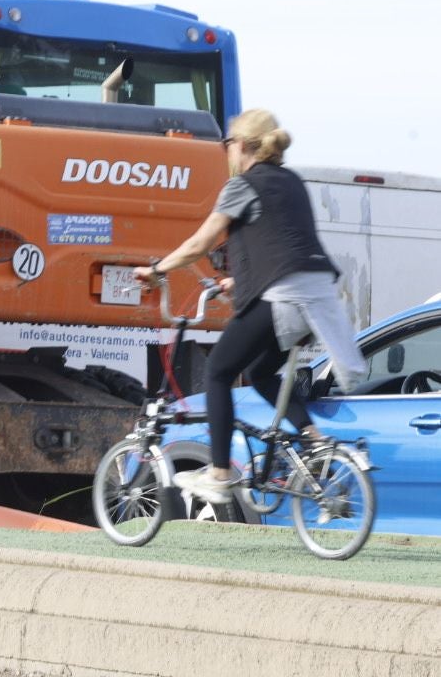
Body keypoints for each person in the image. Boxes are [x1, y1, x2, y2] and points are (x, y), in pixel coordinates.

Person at [134, 109, 367, 504]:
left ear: (241, 146)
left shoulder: (242, 184)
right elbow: (281, 244)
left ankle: (221, 473)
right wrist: (237, 282)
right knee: (260, 373)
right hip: (316, 300)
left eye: (228, 144)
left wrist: (157, 268)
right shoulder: (292, 182)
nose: (227, 151)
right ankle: (314, 441)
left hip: (285, 298)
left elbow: (200, 244)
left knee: (220, 370)